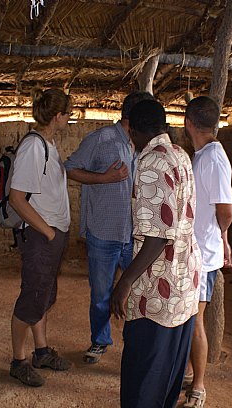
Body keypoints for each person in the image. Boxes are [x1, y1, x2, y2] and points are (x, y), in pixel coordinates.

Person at [110, 99, 201, 408]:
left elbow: (157, 238)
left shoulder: (150, 163)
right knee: (164, 390)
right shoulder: (181, 155)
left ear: (132, 130)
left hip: (156, 297)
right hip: (183, 289)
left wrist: (123, 284)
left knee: (141, 392)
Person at [64, 91, 154, 364]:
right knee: (102, 293)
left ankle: (135, 344)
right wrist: (105, 178)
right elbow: (70, 168)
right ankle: (100, 341)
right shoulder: (100, 139)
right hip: (104, 232)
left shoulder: (143, 145)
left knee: (138, 291)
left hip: (134, 235)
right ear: (133, 117)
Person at [8, 88, 72, 387]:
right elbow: (17, 198)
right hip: (40, 237)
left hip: (50, 236)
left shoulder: (48, 144)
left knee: (43, 296)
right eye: (68, 114)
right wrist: (46, 232)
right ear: (57, 116)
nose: (69, 118)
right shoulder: (34, 147)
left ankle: (41, 351)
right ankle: (18, 361)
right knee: (31, 299)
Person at [181, 96, 232, 408]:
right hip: (199, 249)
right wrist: (223, 237)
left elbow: (226, 209)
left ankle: (198, 387)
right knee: (190, 318)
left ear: (189, 123)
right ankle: (189, 373)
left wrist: (219, 236)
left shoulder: (212, 159)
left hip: (202, 255)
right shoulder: (204, 156)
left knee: (195, 321)